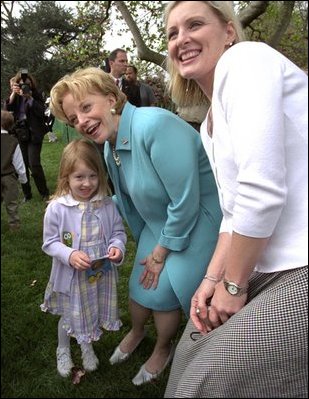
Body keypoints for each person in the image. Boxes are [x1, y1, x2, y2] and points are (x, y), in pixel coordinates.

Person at [164, 1, 308, 397]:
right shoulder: (208, 125)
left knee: (209, 378)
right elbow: (234, 211)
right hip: (265, 263)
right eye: (173, 33)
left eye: (195, 24)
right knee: (191, 345)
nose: (182, 39)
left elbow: (261, 193)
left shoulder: (245, 61)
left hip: (302, 264)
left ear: (229, 31)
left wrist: (232, 286)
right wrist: (209, 282)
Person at [49, 67, 222, 386]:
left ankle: (163, 346)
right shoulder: (108, 145)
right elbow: (127, 200)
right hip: (162, 223)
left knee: (163, 291)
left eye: (86, 108)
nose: (82, 122)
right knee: (138, 289)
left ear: (111, 98)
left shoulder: (154, 125)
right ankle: (138, 332)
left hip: (199, 219)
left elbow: (185, 201)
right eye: (74, 119)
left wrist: (159, 254)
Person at [40, 138, 127, 378]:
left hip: (98, 276)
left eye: (92, 176)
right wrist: (69, 254)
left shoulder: (106, 205)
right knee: (69, 316)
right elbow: (50, 243)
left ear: (100, 175)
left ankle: (86, 344)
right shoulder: (58, 208)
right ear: (66, 177)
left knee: (90, 311)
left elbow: (118, 233)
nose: (87, 183)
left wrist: (117, 248)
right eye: (79, 177)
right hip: (71, 280)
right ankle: (63, 347)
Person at [5, 70, 50, 202]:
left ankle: (44, 193)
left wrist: (30, 98)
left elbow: (42, 112)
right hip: (19, 134)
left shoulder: (36, 94)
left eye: (27, 84)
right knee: (22, 165)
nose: (25, 87)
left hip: (34, 134)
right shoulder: (15, 97)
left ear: (31, 84)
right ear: (17, 85)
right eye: (21, 84)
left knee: (34, 164)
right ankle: (27, 194)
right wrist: (14, 93)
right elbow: (7, 111)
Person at [1, 110, 27, 231]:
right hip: (9, 177)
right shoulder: (13, 141)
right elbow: (19, 163)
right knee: (11, 203)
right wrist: (23, 179)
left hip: (8, 176)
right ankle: (14, 226)